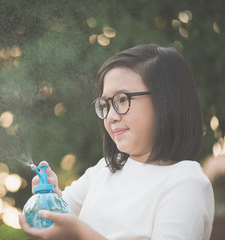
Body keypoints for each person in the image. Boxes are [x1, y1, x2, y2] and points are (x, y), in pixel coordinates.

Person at [19, 44, 215, 240]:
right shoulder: (102, 171)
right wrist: (51, 195)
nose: (111, 116)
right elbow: (62, 219)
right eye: (105, 105)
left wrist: (80, 233)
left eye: (122, 100)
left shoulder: (186, 182)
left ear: (166, 101)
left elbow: (74, 228)